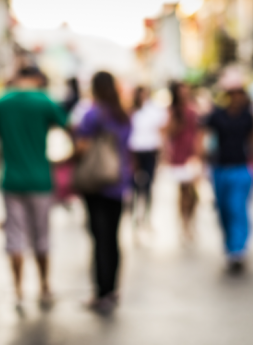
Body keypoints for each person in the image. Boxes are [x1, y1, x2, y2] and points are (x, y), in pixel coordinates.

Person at [0, 67, 67, 310]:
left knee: (14, 236)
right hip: (40, 178)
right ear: (37, 80)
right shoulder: (44, 101)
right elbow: (66, 125)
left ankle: (18, 290)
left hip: (11, 178)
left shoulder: (2, 103)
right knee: (41, 235)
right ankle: (45, 286)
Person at [76, 71, 132, 314]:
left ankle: (101, 291)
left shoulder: (93, 114)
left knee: (99, 237)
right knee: (114, 236)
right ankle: (112, 288)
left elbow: (82, 147)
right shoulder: (123, 115)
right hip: (118, 181)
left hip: (96, 183)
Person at [202, 71, 253, 273]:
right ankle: (230, 247)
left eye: (239, 93)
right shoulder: (216, 116)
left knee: (238, 209)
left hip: (241, 169)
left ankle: (238, 250)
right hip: (219, 170)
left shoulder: (248, 117)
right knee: (224, 210)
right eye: (232, 93)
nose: (236, 97)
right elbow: (204, 138)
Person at [128, 86, 167, 227]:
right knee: (134, 186)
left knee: (149, 185)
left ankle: (147, 216)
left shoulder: (154, 110)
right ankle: (135, 216)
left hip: (150, 151)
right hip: (135, 151)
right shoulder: (131, 111)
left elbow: (162, 129)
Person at [166, 82, 200, 242]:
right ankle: (184, 223)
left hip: (192, 154)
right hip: (179, 155)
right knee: (183, 190)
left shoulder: (193, 110)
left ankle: (190, 219)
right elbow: (168, 132)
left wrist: (199, 152)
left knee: (193, 193)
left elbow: (199, 132)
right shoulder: (173, 112)